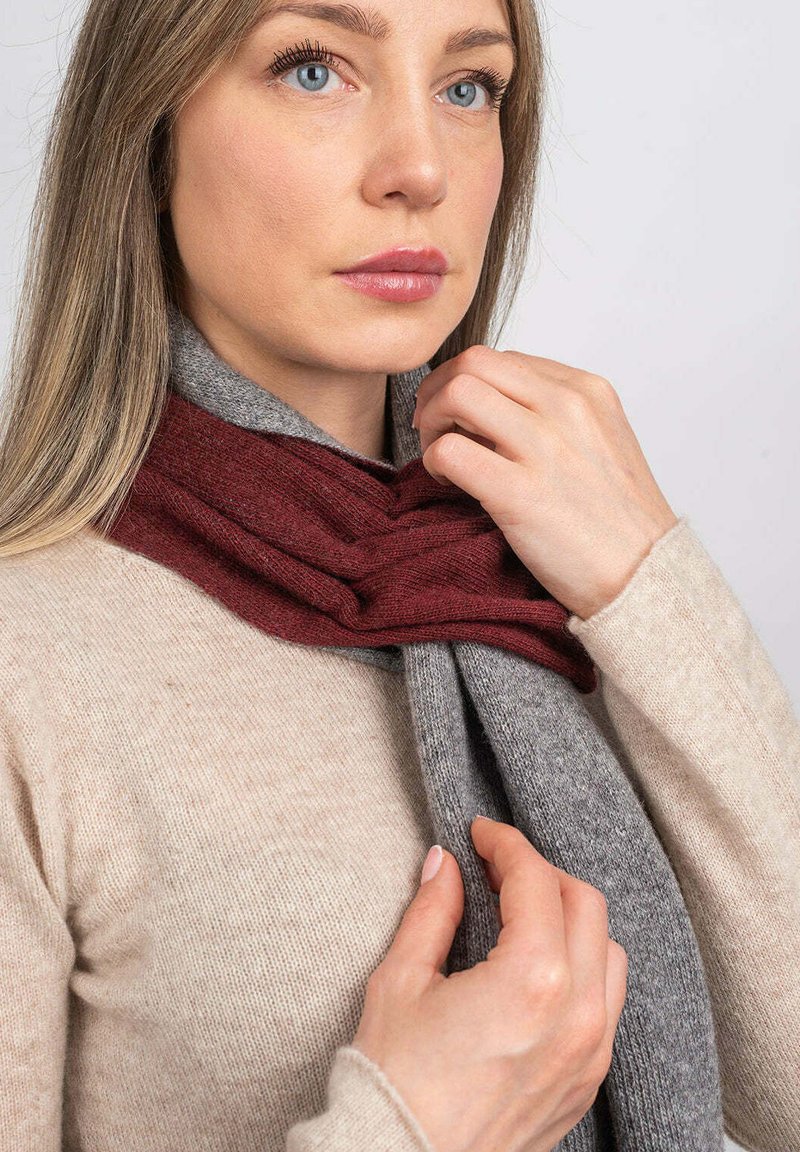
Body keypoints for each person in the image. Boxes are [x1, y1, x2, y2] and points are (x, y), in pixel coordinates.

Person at [0, 0, 798, 1150]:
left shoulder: (554, 572)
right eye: (312, 69)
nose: (420, 169)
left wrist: (645, 578)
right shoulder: (27, 663)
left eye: (467, 87)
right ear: (150, 131)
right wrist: (417, 1130)